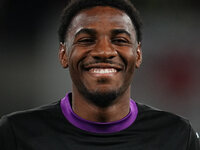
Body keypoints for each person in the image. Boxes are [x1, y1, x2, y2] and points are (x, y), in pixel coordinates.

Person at [0, 0, 199, 149]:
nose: (104, 51)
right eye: (86, 40)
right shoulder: (16, 133)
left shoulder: (178, 135)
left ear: (138, 55)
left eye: (120, 40)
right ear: (63, 55)